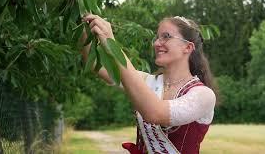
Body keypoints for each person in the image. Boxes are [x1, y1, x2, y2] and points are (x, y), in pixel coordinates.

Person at [81, 14, 218, 154]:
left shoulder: (203, 95)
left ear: (188, 47)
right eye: (157, 37)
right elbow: (95, 66)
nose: (156, 43)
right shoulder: (147, 81)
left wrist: (111, 44)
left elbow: (155, 113)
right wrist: (85, 28)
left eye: (166, 36)